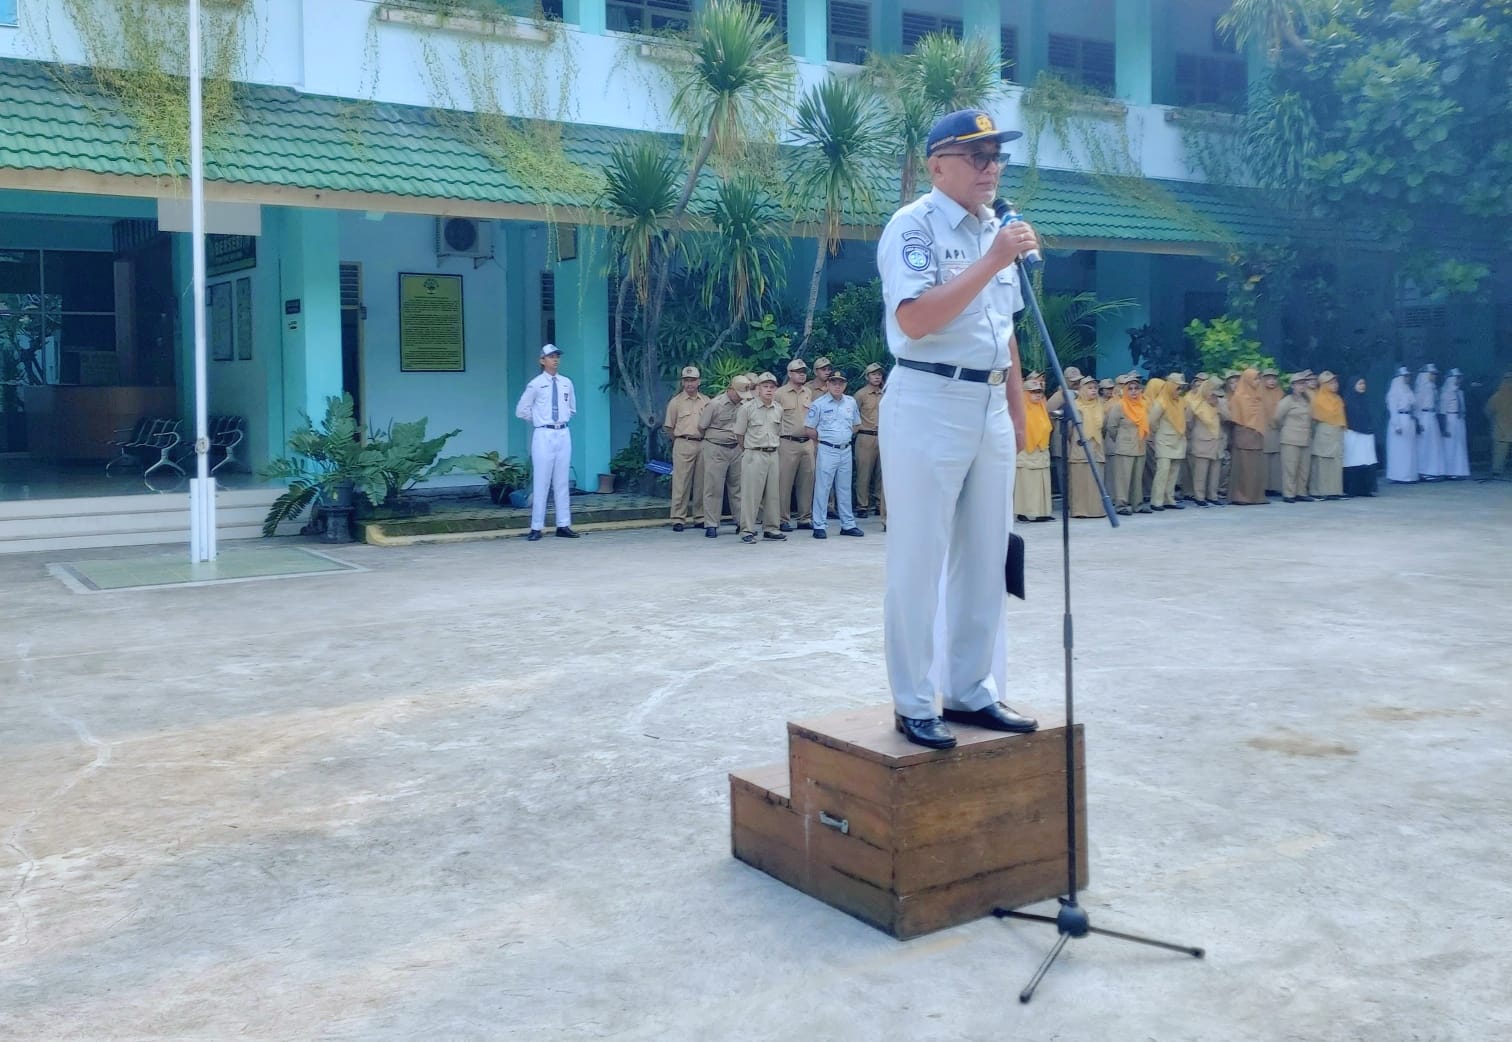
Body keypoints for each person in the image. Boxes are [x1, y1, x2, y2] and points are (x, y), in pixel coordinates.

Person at [875, 107, 1041, 750]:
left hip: (990, 402)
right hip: (927, 398)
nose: (990, 166)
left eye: (996, 154)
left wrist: (1019, 407)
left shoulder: (996, 227)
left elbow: (1006, 330)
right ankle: (914, 702)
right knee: (919, 557)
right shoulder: (913, 227)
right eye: (976, 155)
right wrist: (993, 257)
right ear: (937, 164)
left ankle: (971, 690)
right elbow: (915, 321)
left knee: (985, 552)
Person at [514, 343, 577, 540]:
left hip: (562, 432)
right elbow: (521, 410)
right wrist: (540, 420)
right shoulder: (536, 384)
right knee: (542, 481)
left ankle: (563, 524)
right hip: (543, 433)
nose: (555, 360)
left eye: (557, 356)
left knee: (561, 481)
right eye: (551, 357)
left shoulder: (566, 382)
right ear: (542, 360)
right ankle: (536, 527)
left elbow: (571, 408)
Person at [805, 369, 865, 538]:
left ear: (845, 385)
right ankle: (819, 525)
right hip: (827, 449)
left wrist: (843, 437)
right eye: (834, 383)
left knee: (845, 488)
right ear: (828, 384)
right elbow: (809, 429)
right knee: (823, 488)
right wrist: (826, 439)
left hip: (845, 449)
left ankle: (848, 524)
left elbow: (856, 425)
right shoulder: (819, 404)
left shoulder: (851, 402)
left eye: (841, 383)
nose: (837, 386)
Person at [734, 373, 786, 545]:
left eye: (772, 386)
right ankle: (747, 530)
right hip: (754, 453)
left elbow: (779, 431)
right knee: (751, 494)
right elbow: (739, 434)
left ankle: (771, 528)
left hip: (773, 453)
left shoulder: (778, 408)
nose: (769, 390)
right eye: (765, 386)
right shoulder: (747, 408)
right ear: (757, 389)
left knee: (773, 494)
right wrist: (750, 449)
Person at [697, 375, 748, 537]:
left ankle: (741, 522)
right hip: (716, 448)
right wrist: (716, 439)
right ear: (730, 389)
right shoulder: (714, 404)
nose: (741, 397)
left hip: (736, 448)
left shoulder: (745, 404)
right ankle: (711, 523)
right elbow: (701, 427)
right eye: (738, 393)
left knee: (738, 487)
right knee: (713, 487)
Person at [663, 365, 710, 531]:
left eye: (693, 380)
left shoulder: (706, 401)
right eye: (686, 380)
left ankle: (700, 517)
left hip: (703, 443)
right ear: (682, 382)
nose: (690, 383)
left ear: (699, 381)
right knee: (681, 483)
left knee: (702, 483)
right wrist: (679, 439)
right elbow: (669, 427)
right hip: (683, 442)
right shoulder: (675, 402)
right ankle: (678, 518)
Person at [775, 359, 816, 531]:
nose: (802, 374)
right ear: (790, 374)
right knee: (784, 483)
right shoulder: (780, 393)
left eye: (804, 371)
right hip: (787, 442)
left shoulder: (808, 391)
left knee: (807, 482)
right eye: (798, 371)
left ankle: (804, 518)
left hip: (807, 442)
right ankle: (782, 519)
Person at [1103, 374, 1150, 515]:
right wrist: (1121, 440)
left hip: (1140, 446)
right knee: (1123, 478)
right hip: (1124, 447)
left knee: (1137, 478)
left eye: (1136, 388)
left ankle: (1138, 504)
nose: (1134, 391)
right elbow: (1111, 426)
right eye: (1130, 389)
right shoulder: (1120, 406)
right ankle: (1121, 505)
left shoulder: (1143, 405)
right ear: (1124, 390)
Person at [1226, 367, 1270, 505]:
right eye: (1255, 379)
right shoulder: (1238, 397)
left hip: (1257, 436)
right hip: (1244, 436)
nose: (1258, 382)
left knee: (1256, 468)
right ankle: (1241, 497)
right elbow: (1233, 419)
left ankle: (1257, 496)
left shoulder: (1258, 397)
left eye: (1258, 379)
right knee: (1244, 468)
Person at [1146, 373, 1189, 511]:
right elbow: (1152, 421)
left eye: (1182, 388)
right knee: (1163, 471)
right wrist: (1159, 432)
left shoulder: (1181, 401)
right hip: (1164, 441)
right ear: (1170, 386)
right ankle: (1156, 501)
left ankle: (1169, 499)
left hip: (1179, 440)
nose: (1180, 391)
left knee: (1174, 472)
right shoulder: (1161, 402)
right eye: (1178, 387)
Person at [1066, 376, 1107, 518]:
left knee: (1096, 480)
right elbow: (1069, 429)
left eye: (1095, 388)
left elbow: (1105, 427)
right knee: (1080, 479)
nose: (1093, 391)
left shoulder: (1101, 405)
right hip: (1080, 447)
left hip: (1096, 447)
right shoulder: (1074, 405)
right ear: (1081, 390)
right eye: (1089, 388)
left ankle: (1096, 510)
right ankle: (1080, 510)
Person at [1014, 376, 1053, 522]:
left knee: (1041, 482)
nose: (1037, 394)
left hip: (1041, 451)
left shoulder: (1042, 408)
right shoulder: (1021, 411)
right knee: (1026, 483)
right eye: (1033, 392)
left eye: (1039, 392)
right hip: (1026, 451)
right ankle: (1024, 512)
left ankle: (1042, 512)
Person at [853, 362, 885, 519]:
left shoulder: (886, 393)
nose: (877, 377)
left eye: (879, 374)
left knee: (882, 473)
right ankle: (862, 505)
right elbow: (852, 414)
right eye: (873, 374)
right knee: (863, 473)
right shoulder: (860, 394)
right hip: (865, 435)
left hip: (883, 436)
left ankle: (880, 504)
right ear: (867, 377)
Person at [1188, 377, 1225, 505]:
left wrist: (1219, 406)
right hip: (1201, 443)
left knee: (1215, 473)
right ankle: (1199, 497)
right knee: (1200, 473)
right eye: (1212, 394)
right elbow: (1188, 423)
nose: (1214, 397)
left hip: (1217, 443)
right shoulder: (1195, 404)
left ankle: (1213, 496)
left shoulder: (1221, 403)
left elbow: (1228, 418)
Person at [1309, 370, 1346, 500]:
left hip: (1337, 433)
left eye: (1335, 381)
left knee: (1336, 463)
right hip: (1323, 432)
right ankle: (1319, 491)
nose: (1335, 385)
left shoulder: (1338, 398)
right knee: (1322, 462)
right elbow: (1313, 420)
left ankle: (1335, 491)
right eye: (1330, 382)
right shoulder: (1318, 399)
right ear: (1323, 385)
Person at [1342, 376, 1379, 497]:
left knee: (1366, 461)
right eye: (1359, 384)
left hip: (1366, 436)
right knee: (1353, 461)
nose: (1362, 386)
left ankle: (1366, 490)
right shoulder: (1347, 400)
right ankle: (1351, 490)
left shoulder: (1366, 399)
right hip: (1353, 435)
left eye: (1363, 383)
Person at [1384, 367, 1419, 483]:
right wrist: (1397, 426)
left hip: (1408, 420)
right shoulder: (1394, 392)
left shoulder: (1408, 390)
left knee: (1409, 450)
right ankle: (1398, 475)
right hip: (1399, 420)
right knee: (1398, 451)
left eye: (1408, 376)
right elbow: (1393, 410)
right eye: (1405, 376)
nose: (1408, 378)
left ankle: (1409, 475)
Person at [1440, 368, 1470, 479]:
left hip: (1460, 419)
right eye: (1457, 378)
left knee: (1460, 445)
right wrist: (1444, 428)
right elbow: (1442, 412)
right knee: (1450, 446)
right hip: (1450, 418)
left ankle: (1459, 471)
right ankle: (1449, 471)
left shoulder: (1460, 392)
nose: (1459, 380)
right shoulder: (1446, 393)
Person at [1415, 364, 1443, 481]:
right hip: (1424, 417)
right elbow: (1417, 406)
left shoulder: (1432, 387)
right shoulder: (1422, 388)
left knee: (1433, 446)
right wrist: (1418, 421)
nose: (1434, 376)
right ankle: (1423, 471)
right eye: (1432, 374)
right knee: (1424, 446)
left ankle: (1432, 471)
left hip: (1432, 417)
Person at [1259, 368, 1284, 495]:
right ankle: (1263, 487)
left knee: (1276, 460)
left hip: (1277, 430)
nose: (1272, 381)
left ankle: (1274, 487)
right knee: (1263, 460)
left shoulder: (1280, 393)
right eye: (1269, 378)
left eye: (1274, 378)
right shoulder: (1258, 393)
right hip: (1263, 430)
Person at [1486, 372, 1512, 477]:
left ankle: (1497, 470)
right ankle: (1497, 470)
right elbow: (1488, 411)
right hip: (1501, 428)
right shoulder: (1497, 396)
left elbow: (1488, 411)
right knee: (1500, 450)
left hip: (1502, 427)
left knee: (1499, 450)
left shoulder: (1496, 396)